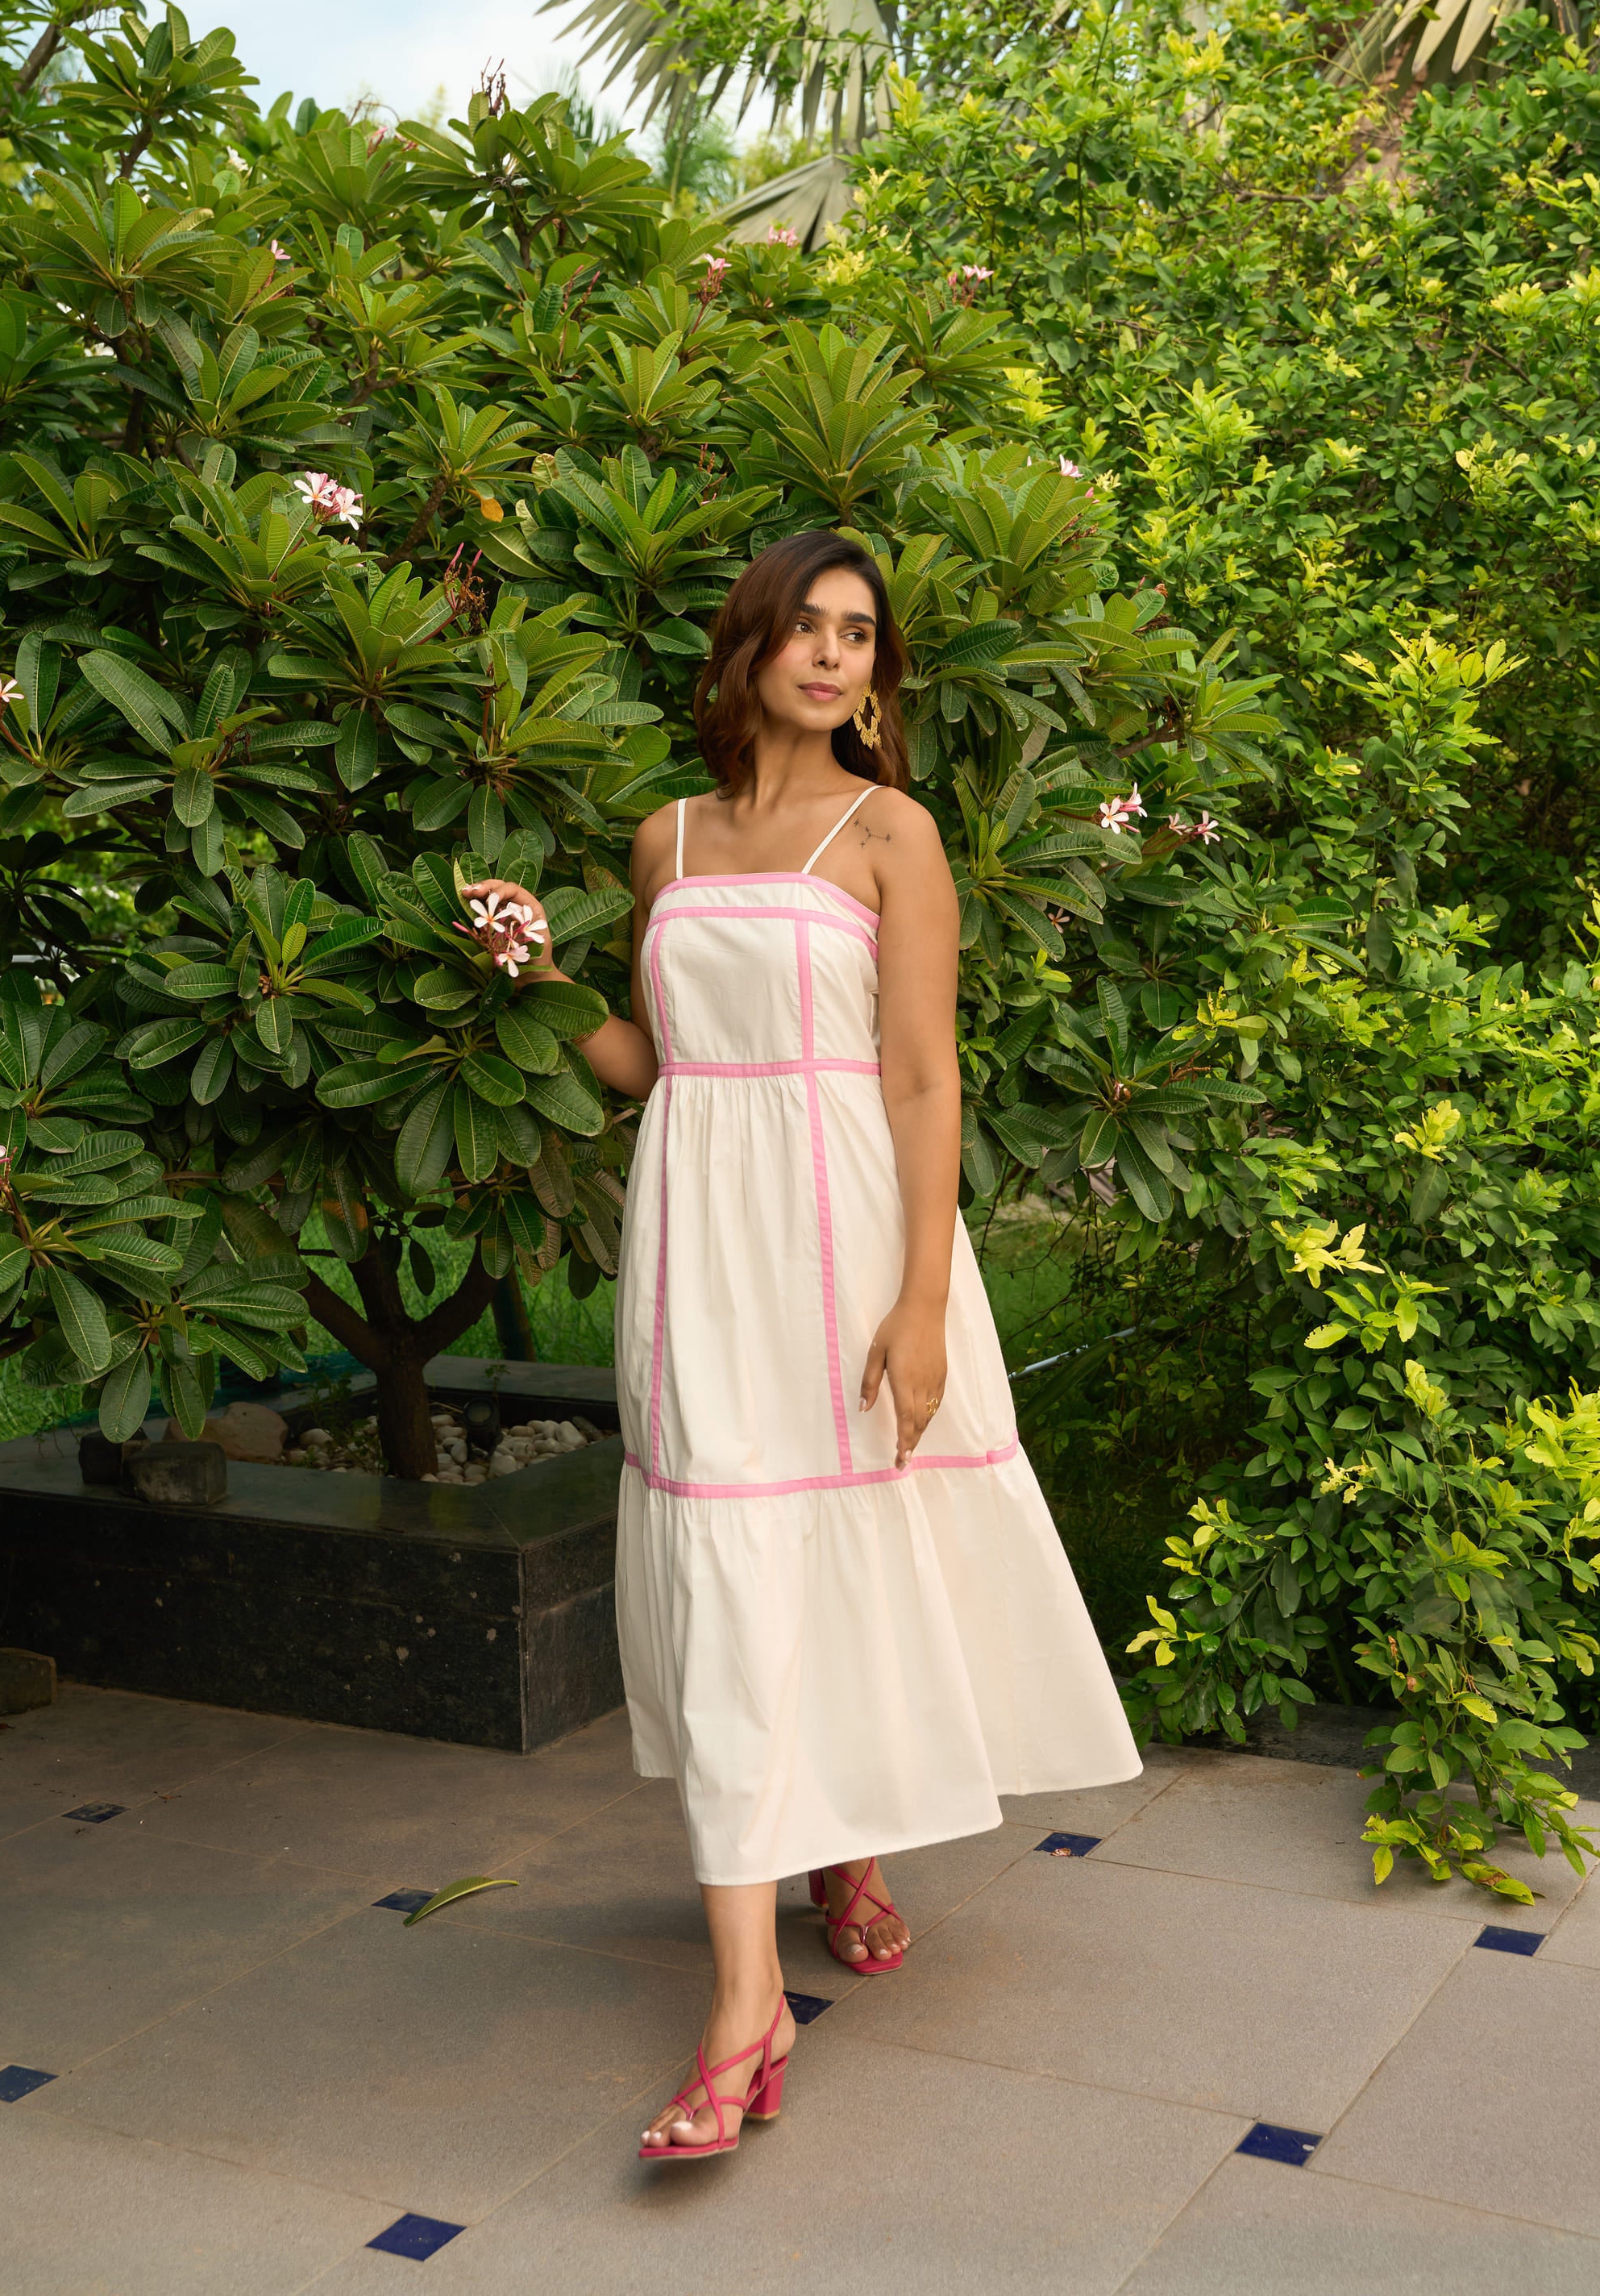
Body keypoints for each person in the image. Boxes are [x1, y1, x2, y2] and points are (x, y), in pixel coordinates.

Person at [474, 529, 1137, 2165]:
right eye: (810, 628)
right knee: (728, 1571)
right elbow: (658, 1062)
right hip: (699, 1243)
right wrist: (542, 979)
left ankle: (824, 1880)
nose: (836, 655)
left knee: (850, 1546)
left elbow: (920, 1077)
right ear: (751, 646)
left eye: (861, 635)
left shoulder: (892, 832)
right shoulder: (666, 837)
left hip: (845, 1238)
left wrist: (920, 1303)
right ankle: (749, 1990)